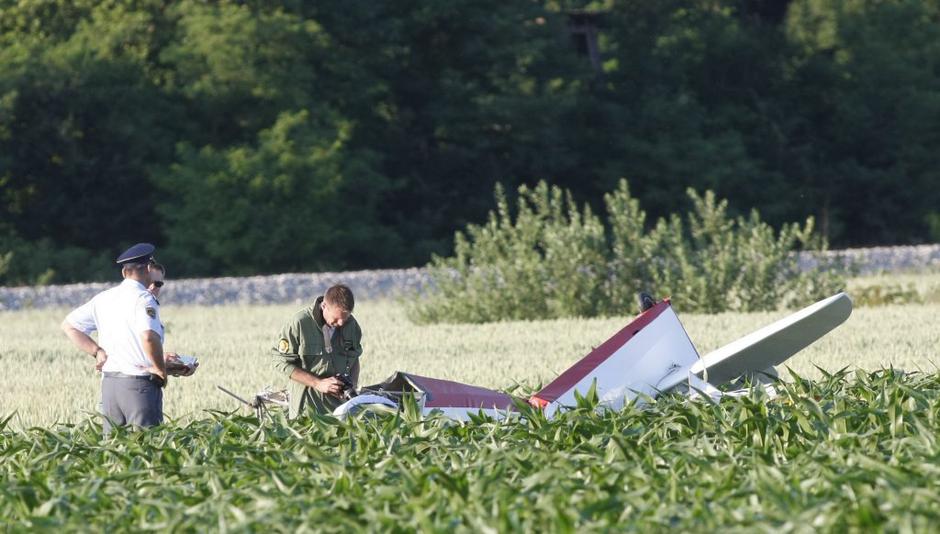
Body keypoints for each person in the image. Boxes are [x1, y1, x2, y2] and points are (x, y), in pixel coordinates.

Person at [60, 243, 177, 434]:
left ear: (124, 273)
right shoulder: (144, 299)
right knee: (145, 450)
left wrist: (97, 351)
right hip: (139, 386)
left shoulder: (103, 298)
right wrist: (160, 369)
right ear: (148, 268)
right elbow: (148, 337)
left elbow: (69, 325)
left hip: (110, 386)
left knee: (113, 452)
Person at [271, 284, 363, 418]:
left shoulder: (352, 326)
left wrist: (352, 386)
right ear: (324, 306)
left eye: (346, 317)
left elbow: (355, 358)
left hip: (340, 409)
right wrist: (318, 383)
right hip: (306, 409)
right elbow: (281, 362)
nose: (341, 323)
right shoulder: (300, 323)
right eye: (336, 318)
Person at [146, 262, 197, 377]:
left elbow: (143, 356)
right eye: (149, 282)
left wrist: (171, 366)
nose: (153, 287)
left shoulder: (152, 307)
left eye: (158, 283)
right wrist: (97, 351)